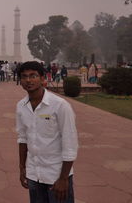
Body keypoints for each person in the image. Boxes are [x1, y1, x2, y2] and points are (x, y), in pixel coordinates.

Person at [16, 61, 78, 203]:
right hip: (33, 174)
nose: (28, 80)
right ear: (20, 81)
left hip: (56, 174)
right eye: (24, 76)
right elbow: (22, 138)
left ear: (43, 78)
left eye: (33, 76)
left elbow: (70, 144)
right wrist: (22, 168)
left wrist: (63, 179)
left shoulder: (60, 106)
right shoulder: (21, 106)